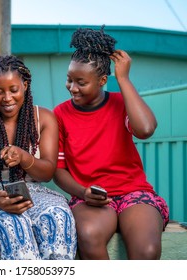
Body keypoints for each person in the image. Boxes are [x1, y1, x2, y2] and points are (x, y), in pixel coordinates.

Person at [53, 26, 169, 260]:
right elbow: (58, 170)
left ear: (103, 80)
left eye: (81, 82)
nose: (72, 87)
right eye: (69, 79)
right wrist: (83, 192)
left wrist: (123, 79)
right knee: (88, 235)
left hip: (133, 193)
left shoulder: (120, 103)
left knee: (146, 250)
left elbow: (145, 129)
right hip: (90, 197)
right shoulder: (61, 114)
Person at [0, 55, 77, 260]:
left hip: (35, 192)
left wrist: (25, 158)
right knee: (13, 224)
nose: (7, 98)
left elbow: (48, 172)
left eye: (13, 90)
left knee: (58, 217)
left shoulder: (44, 118)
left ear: (25, 85)